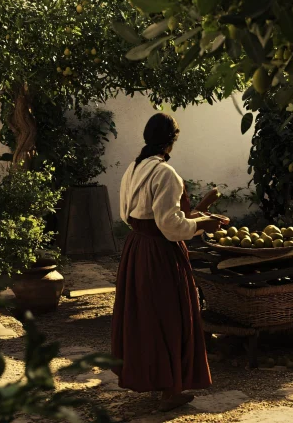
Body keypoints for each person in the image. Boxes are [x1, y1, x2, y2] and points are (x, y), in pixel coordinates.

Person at [111, 113, 223, 412]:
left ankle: (155, 379)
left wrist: (195, 217)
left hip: (136, 249)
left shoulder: (133, 169)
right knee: (170, 316)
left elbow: (129, 215)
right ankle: (170, 389)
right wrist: (202, 226)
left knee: (145, 316)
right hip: (161, 253)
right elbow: (170, 227)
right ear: (171, 141)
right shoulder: (165, 174)